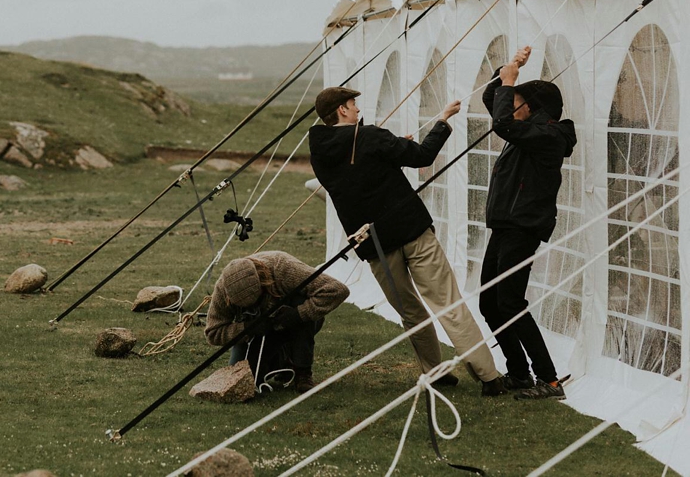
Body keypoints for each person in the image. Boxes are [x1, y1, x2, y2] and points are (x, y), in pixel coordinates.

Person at [309, 86, 507, 395]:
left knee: (410, 312)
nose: (358, 109)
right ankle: (490, 377)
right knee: (447, 303)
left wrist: (392, 151)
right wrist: (442, 120)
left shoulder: (320, 153)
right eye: (352, 104)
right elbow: (424, 156)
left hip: (374, 245)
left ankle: (435, 372)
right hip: (411, 230)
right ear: (342, 111)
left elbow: (359, 177)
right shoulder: (372, 137)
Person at [479, 46, 577, 400]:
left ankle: (549, 380)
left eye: (517, 101)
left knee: (510, 302)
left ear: (532, 108)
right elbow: (495, 101)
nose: (510, 107)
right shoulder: (525, 128)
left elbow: (502, 121)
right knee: (490, 302)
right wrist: (510, 70)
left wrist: (510, 82)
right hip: (505, 225)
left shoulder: (548, 136)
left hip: (523, 227)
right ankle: (519, 374)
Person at [205, 251, 349, 392]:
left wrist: (297, 314)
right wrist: (247, 328)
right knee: (243, 380)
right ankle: (282, 361)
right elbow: (213, 333)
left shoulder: (282, 267)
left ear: (263, 282)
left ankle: (302, 372)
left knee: (301, 302)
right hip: (254, 334)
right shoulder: (223, 289)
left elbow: (336, 290)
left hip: (293, 321)